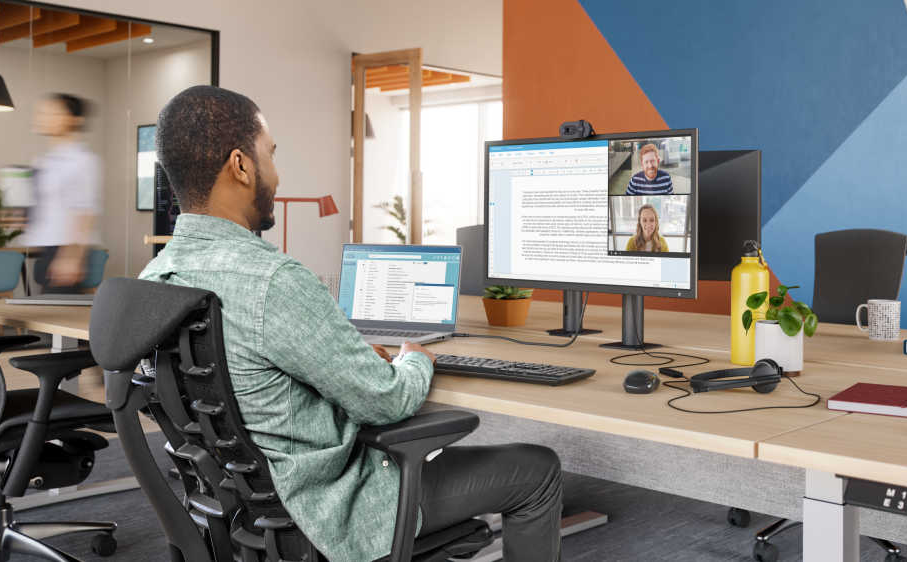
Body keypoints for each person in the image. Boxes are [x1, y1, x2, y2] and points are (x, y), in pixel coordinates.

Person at [143, 86, 562, 562]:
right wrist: (414, 361)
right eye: (271, 155)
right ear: (241, 165)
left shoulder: (155, 279)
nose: (276, 175)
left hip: (240, 509)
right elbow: (387, 401)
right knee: (538, 468)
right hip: (332, 510)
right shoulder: (272, 281)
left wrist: (341, 364)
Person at [29, 94, 102, 293]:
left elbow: (85, 211)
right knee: (46, 316)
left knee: (55, 317)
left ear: (75, 119)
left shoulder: (82, 160)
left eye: (53, 112)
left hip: (65, 250)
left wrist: (71, 258)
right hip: (47, 247)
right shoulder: (42, 160)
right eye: (42, 112)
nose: (44, 117)